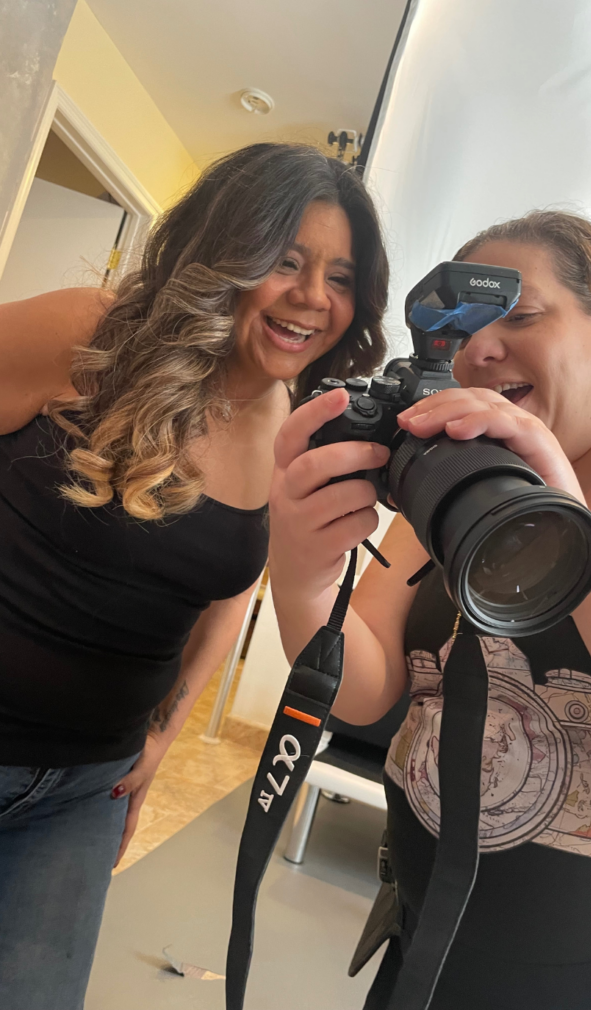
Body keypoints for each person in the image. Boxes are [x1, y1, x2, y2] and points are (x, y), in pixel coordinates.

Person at [0, 143, 387, 1007]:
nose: (312, 297)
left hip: (81, 792)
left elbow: (225, 593)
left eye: (340, 275)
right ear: (227, 254)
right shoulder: (88, 335)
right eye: (286, 260)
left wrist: (163, 739)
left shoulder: (293, 428)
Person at [267, 210, 591, 1009]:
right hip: (420, 946)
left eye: (521, 315)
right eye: (465, 335)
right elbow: (369, 686)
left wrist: (570, 522)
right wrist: (299, 578)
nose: (483, 349)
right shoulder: (458, 471)